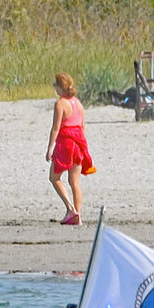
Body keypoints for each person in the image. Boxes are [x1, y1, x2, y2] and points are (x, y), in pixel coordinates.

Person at [46, 72, 96, 227]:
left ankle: (71, 208)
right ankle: (77, 217)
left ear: (61, 88)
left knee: (54, 178)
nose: (54, 88)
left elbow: (56, 127)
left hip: (66, 142)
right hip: (79, 141)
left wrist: (50, 148)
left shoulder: (60, 103)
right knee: (75, 182)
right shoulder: (77, 103)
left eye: (56, 85)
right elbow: (82, 126)